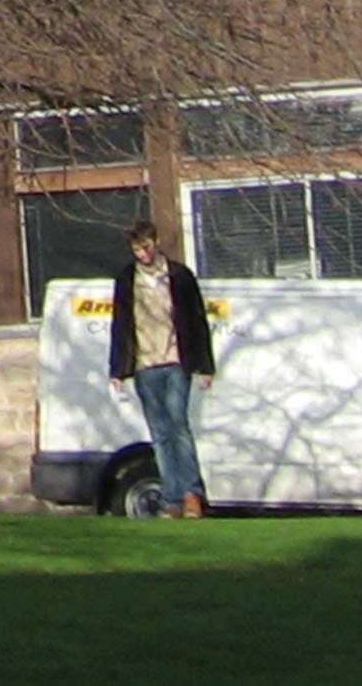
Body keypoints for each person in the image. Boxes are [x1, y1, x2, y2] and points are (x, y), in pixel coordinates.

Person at [106, 211, 215, 517]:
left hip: (175, 362)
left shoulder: (179, 276)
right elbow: (121, 326)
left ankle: (192, 493)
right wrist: (117, 370)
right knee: (160, 435)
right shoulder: (126, 280)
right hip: (145, 366)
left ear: (156, 242)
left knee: (179, 426)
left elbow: (197, 322)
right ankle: (173, 498)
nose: (143, 254)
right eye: (137, 250)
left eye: (146, 247)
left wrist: (205, 366)